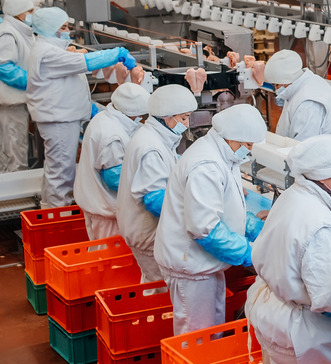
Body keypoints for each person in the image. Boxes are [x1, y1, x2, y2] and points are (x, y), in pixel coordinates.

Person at [245, 134, 331, 364]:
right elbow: (329, 296)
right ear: (324, 176)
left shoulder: (294, 195)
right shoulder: (319, 221)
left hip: (273, 309)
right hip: (304, 329)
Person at [154, 104, 265, 335]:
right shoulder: (206, 165)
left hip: (204, 265)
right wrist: (250, 254)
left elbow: (224, 209)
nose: (249, 150)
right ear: (230, 138)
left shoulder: (222, 154)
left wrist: (258, 229)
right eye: (246, 145)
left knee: (211, 332)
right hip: (191, 266)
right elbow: (206, 229)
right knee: (196, 337)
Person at [27, 7, 139, 207]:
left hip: (62, 115)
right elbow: (85, 62)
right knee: (61, 174)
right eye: (63, 27)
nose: (67, 31)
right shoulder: (47, 53)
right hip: (58, 119)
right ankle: (57, 220)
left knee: (57, 170)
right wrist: (117, 54)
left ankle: (50, 212)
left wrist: (91, 108)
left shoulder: (51, 49)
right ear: (50, 28)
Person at [117, 84, 197, 286]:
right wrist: (196, 214)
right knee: (159, 287)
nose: (187, 124)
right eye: (183, 118)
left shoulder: (157, 137)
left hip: (146, 229)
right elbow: (155, 200)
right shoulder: (150, 147)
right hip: (147, 231)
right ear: (167, 117)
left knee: (153, 283)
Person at [73, 83, 149, 240]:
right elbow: (116, 180)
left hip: (96, 203)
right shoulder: (111, 135)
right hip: (106, 210)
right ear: (133, 113)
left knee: (101, 255)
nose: (142, 119)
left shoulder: (105, 117)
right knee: (109, 259)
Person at [264, 49, 331, 141]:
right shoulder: (303, 84)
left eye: (276, 85)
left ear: (286, 81)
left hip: (323, 154)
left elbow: (304, 147)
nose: (276, 89)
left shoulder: (308, 103)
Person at [0, 0, 34, 173]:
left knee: (10, 151)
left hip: (16, 102)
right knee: (14, 153)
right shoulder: (8, 32)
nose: (32, 14)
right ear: (19, 12)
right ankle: (15, 196)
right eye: (30, 10)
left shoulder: (18, 30)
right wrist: (33, 81)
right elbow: (4, 67)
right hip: (10, 104)